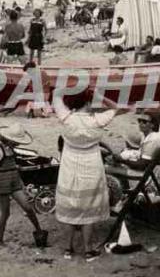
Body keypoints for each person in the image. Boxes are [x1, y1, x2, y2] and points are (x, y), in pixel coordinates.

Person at [53, 90, 130, 261]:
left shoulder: (66, 117)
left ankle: (68, 248)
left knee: (71, 206)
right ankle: (88, 250)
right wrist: (98, 95)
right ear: (88, 103)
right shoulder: (97, 120)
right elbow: (115, 108)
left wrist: (67, 88)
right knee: (88, 206)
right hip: (90, 164)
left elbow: (57, 96)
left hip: (70, 164)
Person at [0, 124, 47, 247]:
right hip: (2, 182)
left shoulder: (11, 149)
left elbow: (14, 167)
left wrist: (21, 184)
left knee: (27, 207)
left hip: (14, 180)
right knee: (5, 213)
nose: (18, 144)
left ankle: (39, 230)